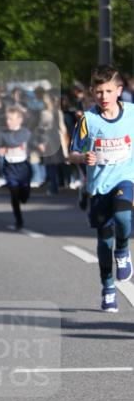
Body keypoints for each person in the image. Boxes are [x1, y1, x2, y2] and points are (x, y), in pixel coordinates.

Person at [69, 65, 134, 313]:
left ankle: (123, 250)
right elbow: (72, 153)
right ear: (91, 93)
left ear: (119, 90)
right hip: (99, 187)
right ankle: (108, 288)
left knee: (123, 215)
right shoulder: (88, 119)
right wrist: (83, 157)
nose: (103, 96)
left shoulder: (132, 114)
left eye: (108, 91)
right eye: (98, 92)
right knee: (104, 241)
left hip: (126, 179)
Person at [0, 105, 32, 231]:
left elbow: (26, 143)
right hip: (10, 166)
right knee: (14, 193)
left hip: (23, 166)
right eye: (7, 119)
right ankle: (19, 220)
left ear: (19, 120)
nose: (9, 122)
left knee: (24, 193)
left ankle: (24, 195)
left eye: (12, 119)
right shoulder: (3, 134)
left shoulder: (25, 133)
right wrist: (0, 151)